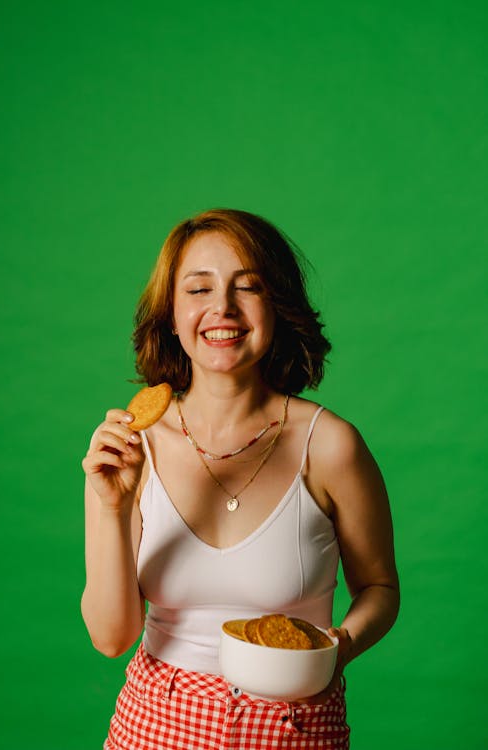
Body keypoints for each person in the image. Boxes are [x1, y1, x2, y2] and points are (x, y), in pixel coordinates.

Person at [81, 208, 400, 749]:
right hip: (153, 726)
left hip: (294, 725)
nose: (222, 309)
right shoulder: (133, 448)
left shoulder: (330, 445)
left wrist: (337, 646)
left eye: (247, 287)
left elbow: (380, 587)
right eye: (198, 289)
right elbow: (112, 639)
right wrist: (112, 505)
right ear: (172, 314)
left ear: (277, 307)